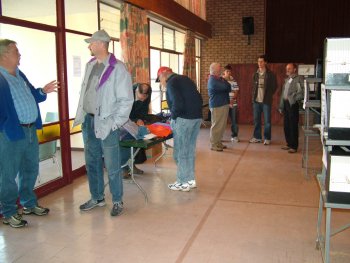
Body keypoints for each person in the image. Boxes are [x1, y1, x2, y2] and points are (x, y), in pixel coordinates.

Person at [73, 30, 133, 216]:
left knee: (112, 164)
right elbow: (86, 93)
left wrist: (114, 124)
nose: (89, 46)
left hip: (107, 124)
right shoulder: (90, 65)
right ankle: (97, 197)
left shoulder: (118, 68)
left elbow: (126, 100)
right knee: (92, 162)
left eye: (91, 43)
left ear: (100, 44)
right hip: (89, 121)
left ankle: (117, 200)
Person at [0, 39, 59, 228]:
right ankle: (8, 211)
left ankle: (28, 204)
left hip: (31, 129)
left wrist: (43, 91)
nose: (19, 54)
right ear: (4, 55)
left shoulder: (19, 74)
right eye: (16, 51)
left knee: (30, 169)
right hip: (10, 134)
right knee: (8, 175)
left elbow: (32, 94)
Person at [156, 66, 202, 192]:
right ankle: (190, 180)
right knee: (189, 150)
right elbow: (199, 97)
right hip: (196, 117)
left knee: (180, 152)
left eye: (160, 79)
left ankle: (182, 182)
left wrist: (173, 117)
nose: (161, 83)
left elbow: (178, 102)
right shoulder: (186, 79)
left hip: (183, 119)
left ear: (164, 74)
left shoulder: (172, 83)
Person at [120, 83, 152, 178]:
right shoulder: (127, 93)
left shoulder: (147, 95)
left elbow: (144, 109)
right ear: (136, 91)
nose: (143, 100)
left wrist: (142, 119)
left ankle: (132, 166)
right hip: (123, 123)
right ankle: (123, 169)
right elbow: (123, 113)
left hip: (134, 123)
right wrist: (135, 120)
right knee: (126, 144)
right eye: (141, 97)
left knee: (137, 143)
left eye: (145, 98)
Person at [250, 55, 277, 145]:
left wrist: (268, 95)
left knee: (267, 121)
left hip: (266, 101)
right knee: (257, 120)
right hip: (256, 101)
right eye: (258, 62)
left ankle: (267, 138)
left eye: (261, 61)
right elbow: (253, 87)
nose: (259, 63)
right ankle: (257, 137)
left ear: (265, 62)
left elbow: (274, 87)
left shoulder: (270, 74)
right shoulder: (255, 74)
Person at [278, 63, 304, 153]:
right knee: (286, 125)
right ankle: (289, 144)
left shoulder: (299, 78)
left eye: (289, 68)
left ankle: (294, 146)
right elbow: (283, 94)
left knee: (293, 125)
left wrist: (293, 99)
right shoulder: (287, 79)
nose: (287, 70)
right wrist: (281, 106)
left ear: (295, 69)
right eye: (287, 68)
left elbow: (302, 92)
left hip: (293, 104)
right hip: (285, 104)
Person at [208, 63, 231, 151]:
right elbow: (225, 87)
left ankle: (218, 142)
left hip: (223, 104)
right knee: (217, 125)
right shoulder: (213, 79)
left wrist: (225, 82)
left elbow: (228, 87)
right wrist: (225, 81)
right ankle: (214, 144)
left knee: (222, 125)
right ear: (214, 69)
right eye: (219, 67)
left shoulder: (219, 78)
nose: (221, 68)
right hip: (217, 105)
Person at [222, 64, 240, 142]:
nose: (228, 73)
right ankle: (220, 137)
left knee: (234, 121)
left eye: (230, 71)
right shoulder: (221, 80)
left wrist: (232, 100)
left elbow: (236, 92)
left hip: (233, 104)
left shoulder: (234, 81)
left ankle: (234, 136)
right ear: (224, 72)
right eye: (227, 71)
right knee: (222, 121)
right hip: (223, 104)